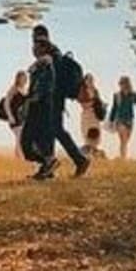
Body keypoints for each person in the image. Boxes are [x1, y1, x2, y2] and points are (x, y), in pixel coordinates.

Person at [29, 24, 89, 176]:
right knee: (51, 131)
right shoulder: (53, 51)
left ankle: (79, 160)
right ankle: (49, 167)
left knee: (54, 130)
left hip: (52, 98)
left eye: (34, 37)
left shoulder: (49, 52)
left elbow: (50, 78)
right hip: (55, 98)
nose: (33, 41)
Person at [22, 36, 63, 181]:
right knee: (38, 141)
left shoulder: (45, 62)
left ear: (44, 48)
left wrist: (33, 99)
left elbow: (43, 85)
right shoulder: (42, 62)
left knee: (26, 141)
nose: (33, 49)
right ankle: (47, 166)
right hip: (41, 105)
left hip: (39, 106)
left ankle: (49, 162)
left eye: (36, 47)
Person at [107, 75, 136, 160]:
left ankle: (122, 156)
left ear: (127, 84)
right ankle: (124, 158)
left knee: (125, 141)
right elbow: (114, 108)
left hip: (130, 120)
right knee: (124, 139)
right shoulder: (116, 95)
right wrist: (111, 121)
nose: (121, 86)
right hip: (120, 120)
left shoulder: (134, 95)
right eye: (120, 84)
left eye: (122, 83)